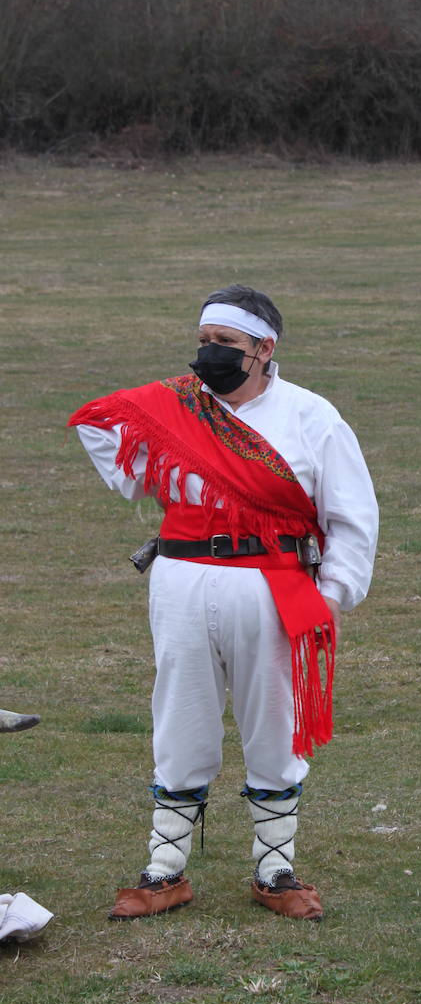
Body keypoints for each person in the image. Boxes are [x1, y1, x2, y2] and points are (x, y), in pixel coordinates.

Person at [69, 285, 378, 920]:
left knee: (273, 724)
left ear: (264, 350)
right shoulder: (171, 411)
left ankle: (275, 871)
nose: (210, 354)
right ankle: (164, 870)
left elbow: (351, 516)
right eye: (205, 342)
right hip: (181, 579)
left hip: (277, 586)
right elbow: (110, 443)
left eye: (227, 345)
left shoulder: (311, 416)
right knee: (180, 716)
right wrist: (161, 435)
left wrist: (335, 594)